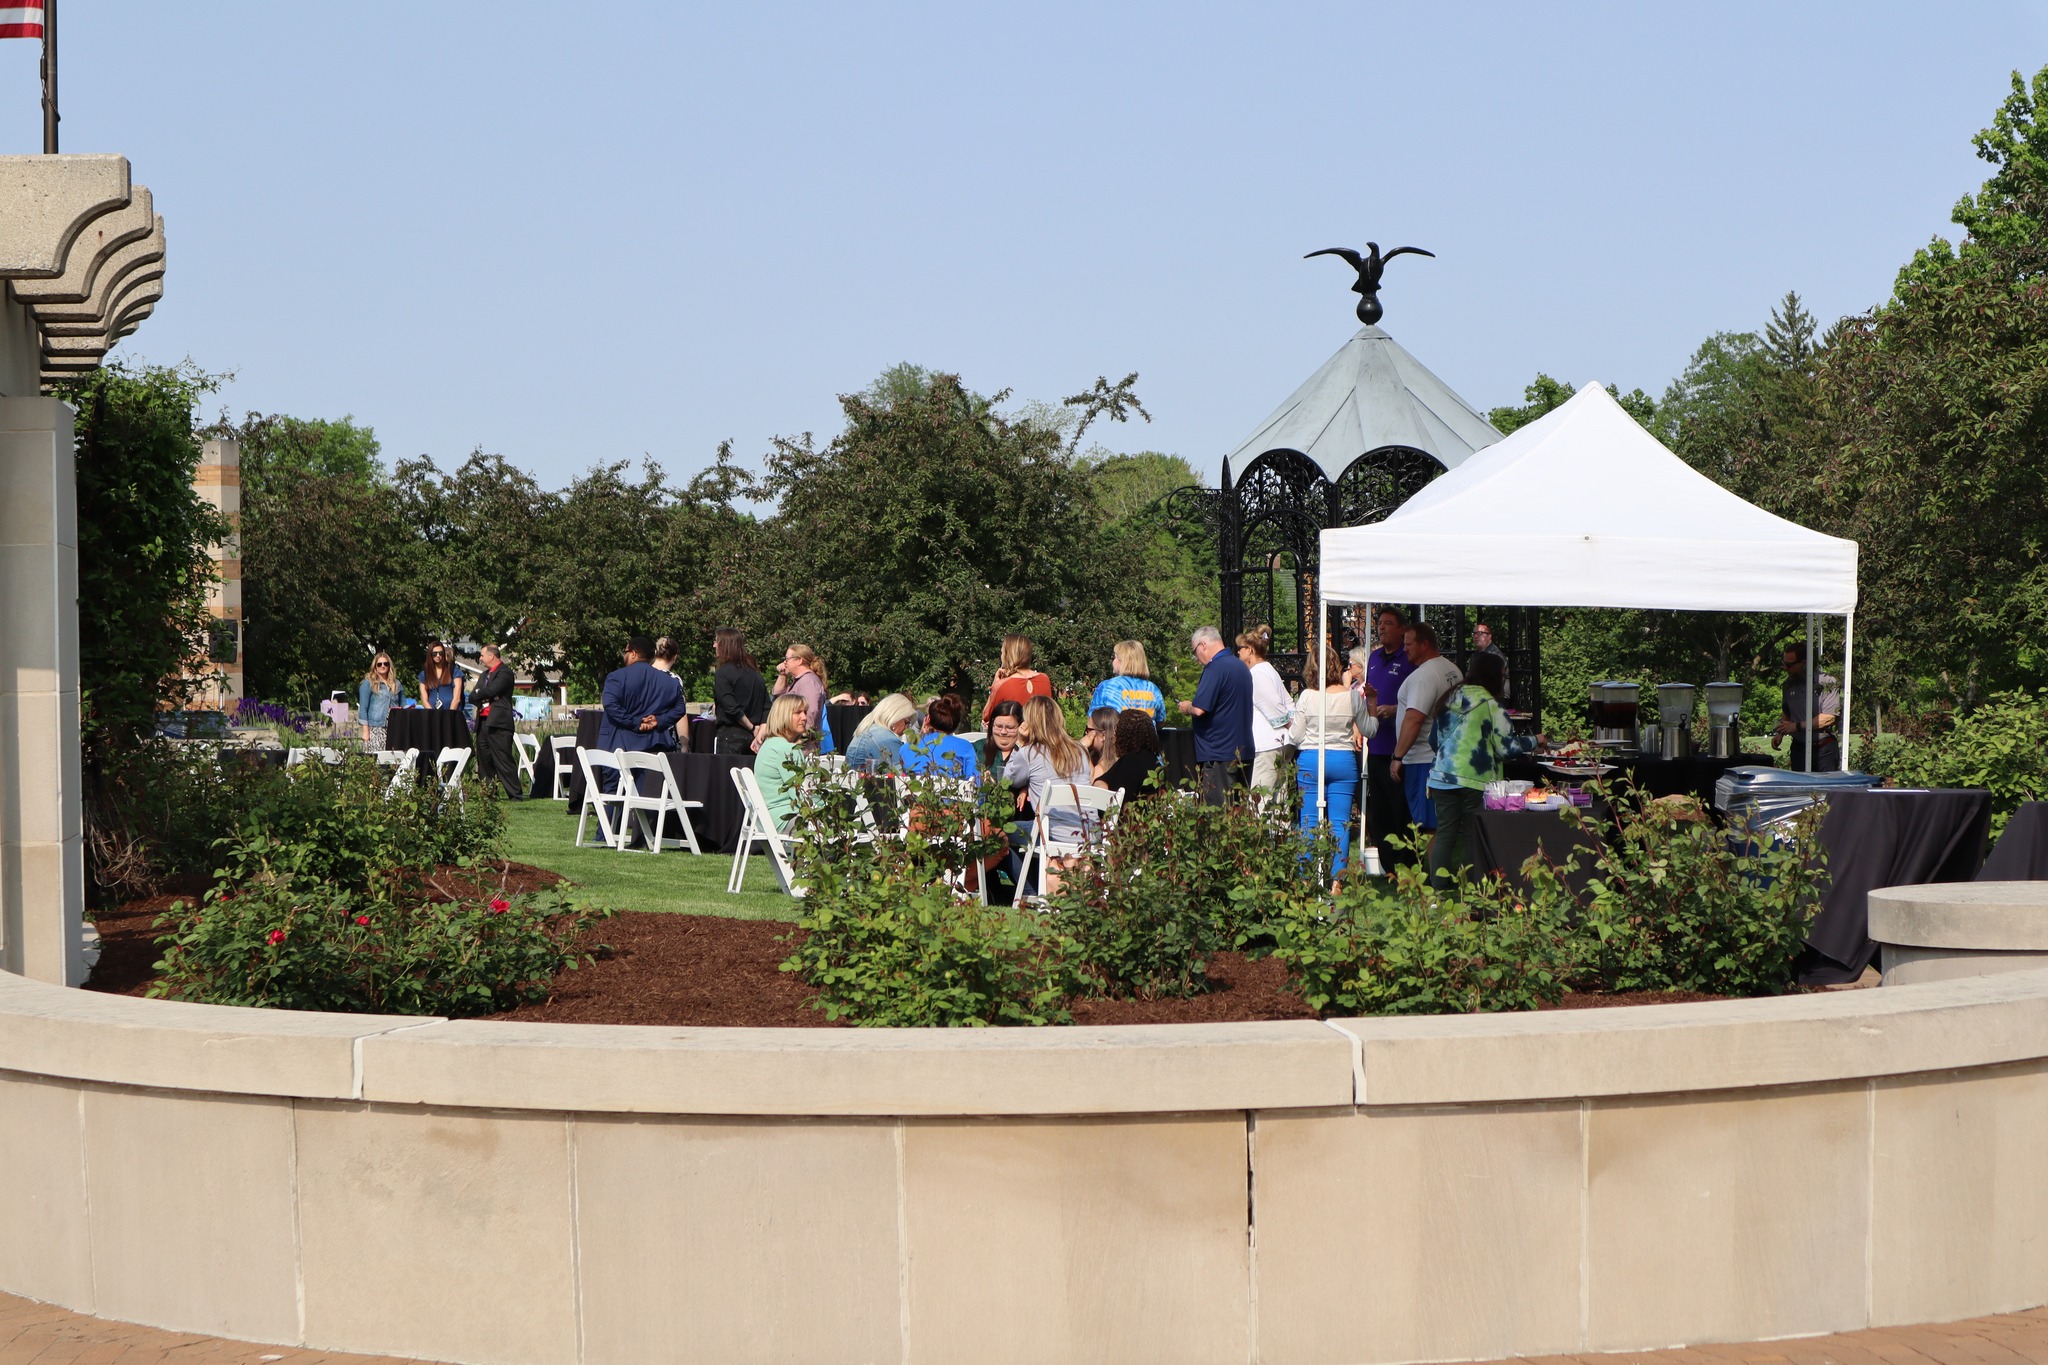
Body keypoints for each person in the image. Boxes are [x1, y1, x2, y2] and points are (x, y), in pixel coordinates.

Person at [1426, 652, 1515, 887]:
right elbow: (1506, 749)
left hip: (1442, 778)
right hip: (1474, 780)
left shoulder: (1450, 697)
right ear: (1493, 676)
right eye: (1503, 675)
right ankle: (1472, 890)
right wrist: (1536, 740)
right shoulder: (1491, 704)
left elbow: (1433, 741)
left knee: (1445, 834)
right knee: (1471, 836)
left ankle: (1439, 889)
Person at [1290, 642, 1375, 877]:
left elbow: (1295, 735)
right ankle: (1338, 880)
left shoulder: (1307, 696)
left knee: (1308, 820)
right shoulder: (1352, 697)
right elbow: (1370, 729)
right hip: (1343, 759)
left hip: (1311, 759)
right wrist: (1374, 705)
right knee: (1340, 823)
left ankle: (1306, 876)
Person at [1006, 695, 1098, 892]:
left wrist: (1019, 743)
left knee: (1000, 832)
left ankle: (1029, 889)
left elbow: (1009, 779)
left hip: (1053, 833)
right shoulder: (1079, 750)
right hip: (1087, 832)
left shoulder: (1029, 752)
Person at [1389, 622, 1464, 850]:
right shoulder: (1451, 669)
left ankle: (1433, 879)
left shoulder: (1424, 676)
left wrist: (1398, 756)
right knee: (1441, 823)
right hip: (1446, 755)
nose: (1405, 649)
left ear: (1425, 644)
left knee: (1429, 826)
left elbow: (1414, 718)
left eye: (1409, 644)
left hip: (1423, 759)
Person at [1362, 607, 1415, 863]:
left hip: (1400, 749)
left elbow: (1418, 701)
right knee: (1380, 810)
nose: (1381, 628)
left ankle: (1407, 862)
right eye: (1380, 623)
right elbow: (1369, 697)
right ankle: (1388, 866)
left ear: (1402, 629)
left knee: (1400, 811)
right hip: (1376, 745)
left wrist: (1395, 709)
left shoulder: (1409, 659)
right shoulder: (1373, 657)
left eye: (1388, 623)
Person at [1177, 625, 1253, 806]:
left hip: (1219, 753)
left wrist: (1187, 706)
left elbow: (1199, 709)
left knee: (1218, 816)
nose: (1196, 658)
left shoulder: (1215, 668)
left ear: (1203, 645)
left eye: (1195, 652)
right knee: (1239, 813)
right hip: (1244, 751)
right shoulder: (1241, 667)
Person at [597, 634, 689, 768]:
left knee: (615, 789)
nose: (624, 655)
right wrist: (659, 720)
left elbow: (610, 704)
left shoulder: (616, 677)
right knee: (650, 788)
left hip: (619, 748)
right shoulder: (670, 682)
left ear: (633, 653)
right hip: (655, 747)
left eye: (626, 652)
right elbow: (680, 708)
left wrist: (635, 722)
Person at [1237, 624, 1294, 792]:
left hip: (1268, 745)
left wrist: (1292, 728)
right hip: (1280, 743)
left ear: (1250, 650)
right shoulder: (1270, 670)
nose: (1238, 652)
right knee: (1278, 802)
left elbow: (1275, 707)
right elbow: (1289, 703)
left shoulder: (1257, 674)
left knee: (1261, 801)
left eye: (1240, 648)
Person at [1776, 641, 1841, 771]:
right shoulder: (1788, 685)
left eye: (1789, 665)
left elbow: (1829, 717)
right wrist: (1780, 734)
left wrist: (1797, 726)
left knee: (1824, 789)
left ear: (1804, 663)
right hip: (1799, 749)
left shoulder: (1827, 683)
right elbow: (1787, 712)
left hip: (1823, 749)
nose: (1786, 669)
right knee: (1800, 789)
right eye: (1784, 664)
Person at [470, 643, 521, 799]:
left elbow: (493, 690)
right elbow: (472, 696)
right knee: (484, 759)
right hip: (483, 722)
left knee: (503, 759)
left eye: (482, 655)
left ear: (491, 656)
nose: (480, 658)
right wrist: (482, 694)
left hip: (499, 723)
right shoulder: (484, 675)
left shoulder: (505, 673)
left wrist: (482, 693)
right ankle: (489, 793)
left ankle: (514, 794)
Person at [711, 627, 768, 756]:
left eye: (716, 641)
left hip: (731, 736)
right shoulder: (755, 673)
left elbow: (731, 707)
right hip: (755, 739)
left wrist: (752, 728)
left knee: (726, 774)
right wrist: (761, 731)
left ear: (724, 645)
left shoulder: (723, 673)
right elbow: (766, 706)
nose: (714, 645)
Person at [753, 695, 808, 826]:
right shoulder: (786, 749)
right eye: (798, 713)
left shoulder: (770, 744)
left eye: (805, 712)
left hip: (766, 819)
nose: (804, 717)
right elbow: (800, 794)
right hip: (784, 818)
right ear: (783, 716)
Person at [769, 643, 834, 754]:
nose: (785, 662)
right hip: (796, 746)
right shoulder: (800, 681)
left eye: (787, 659)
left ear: (799, 660)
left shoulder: (808, 683)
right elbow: (778, 696)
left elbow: (811, 712)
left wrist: (800, 739)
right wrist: (782, 674)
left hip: (804, 748)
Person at [900, 693, 979, 779]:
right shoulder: (965, 747)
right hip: (951, 792)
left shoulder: (906, 748)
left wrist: (922, 735)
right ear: (956, 723)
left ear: (928, 719)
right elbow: (975, 784)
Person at [982, 634, 1054, 724]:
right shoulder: (1044, 679)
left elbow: (986, 717)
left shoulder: (1002, 685)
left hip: (1016, 736)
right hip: (1041, 736)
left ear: (1007, 656)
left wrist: (994, 687)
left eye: (1002, 653)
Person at [1096, 707, 1164, 801]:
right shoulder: (1154, 761)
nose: (1113, 734)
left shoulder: (1131, 762)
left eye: (1117, 729)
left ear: (1125, 733)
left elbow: (1119, 800)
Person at [1088, 640, 1166, 719]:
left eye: (1114, 657)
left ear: (1123, 660)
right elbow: (1161, 721)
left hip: (1116, 731)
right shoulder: (1153, 689)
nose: (1113, 661)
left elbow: (1093, 719)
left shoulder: (1107, 687)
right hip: (1147, 731)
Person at [845, 692, 918, 774]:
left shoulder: (867, 730)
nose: (907, 728)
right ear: (895, 717)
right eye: (907, 722)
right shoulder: (886, 739)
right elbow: (900, 779)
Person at [649, 636, 687, 752]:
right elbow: (680, 715)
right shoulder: (674, 680)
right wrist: (685, 744)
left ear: (655, 652)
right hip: (665, 740)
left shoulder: (641, 675)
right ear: (675, 657)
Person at [358, 652, 403, 751]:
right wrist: (366, 731)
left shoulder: (397, 684)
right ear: (375, 666)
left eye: (385, 664)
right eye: (379, 664)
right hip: (376, 727)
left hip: (394, 727)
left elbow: (403, 704)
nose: (383, 666)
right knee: (376, 760)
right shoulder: (368, 684)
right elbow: (363, 708)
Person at [981, 699, 1025, 779]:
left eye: (1010, 728)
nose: (1003, 732)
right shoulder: (977, 749)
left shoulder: (1028, 753)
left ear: (1022, 727)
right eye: (999, 726)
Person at [418, 642, 463, 710]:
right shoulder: (424, 674)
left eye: (441, 653)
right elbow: (424, 700)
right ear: (430, 655)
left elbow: (457, 698)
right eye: (434, 654)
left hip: (451, 713)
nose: (438, 655)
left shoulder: (454, 671)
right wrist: (433, 715)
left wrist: (449, 715)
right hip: (432, 713)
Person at [1471, 622, 1510, 701]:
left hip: (1497, 699)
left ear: (1489, 636)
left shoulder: (1495, 656)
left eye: (1480, 633)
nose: (1476, 636)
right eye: (1474, 633)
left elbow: (1495, 684)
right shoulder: (1475, 655)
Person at [1083, 705, 1121, 779]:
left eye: (1088, 729)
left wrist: (1083, 749)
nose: (1085, 733)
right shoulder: (1123, 761)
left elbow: (1089, 783)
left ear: (1103, 735)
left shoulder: (1102, 769)